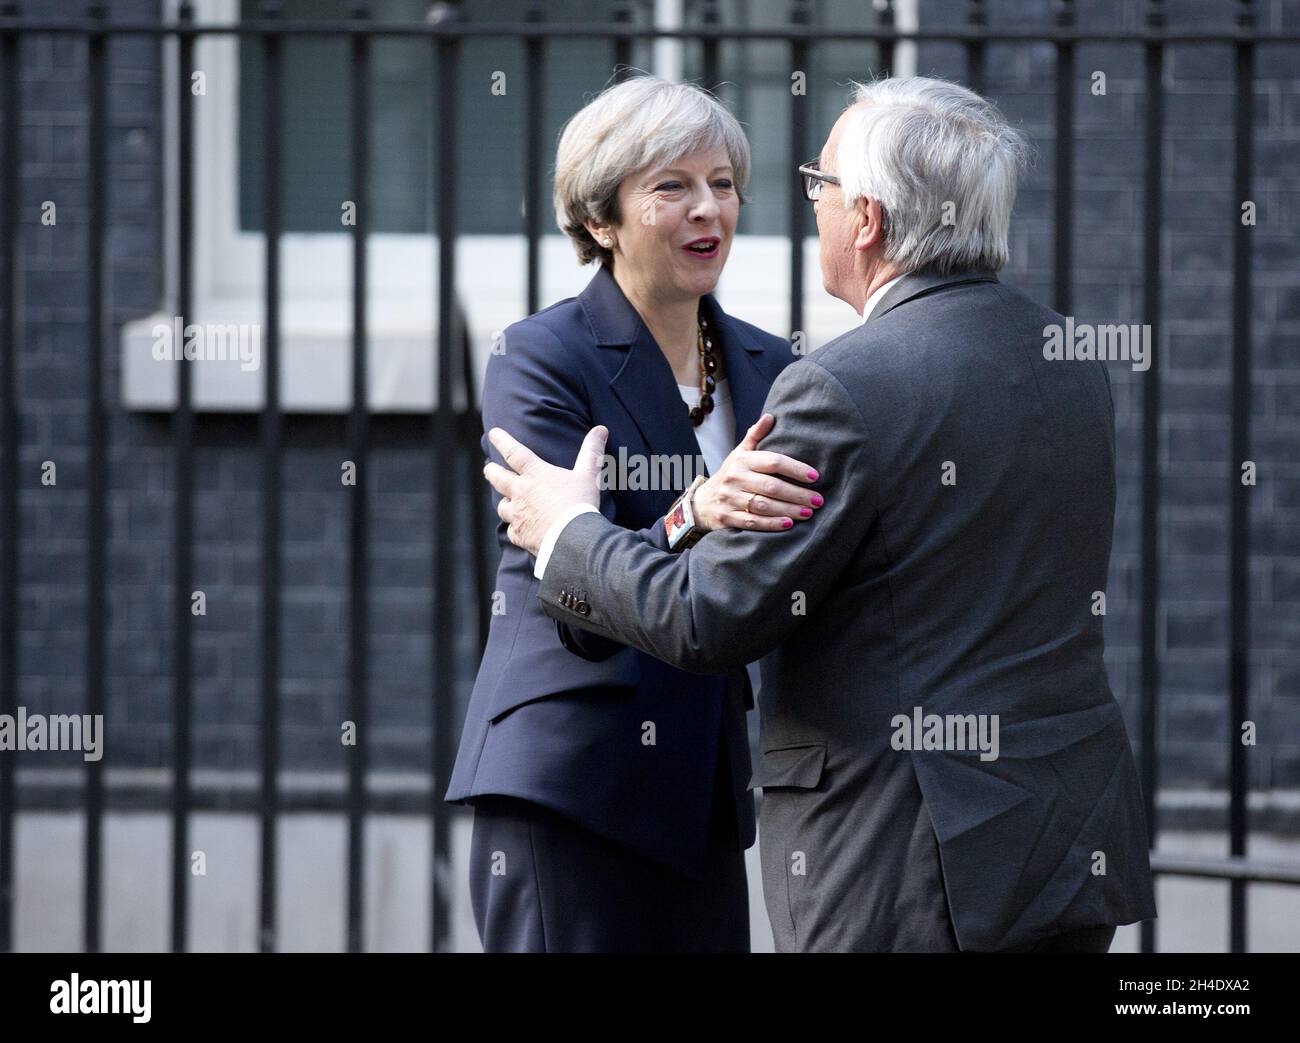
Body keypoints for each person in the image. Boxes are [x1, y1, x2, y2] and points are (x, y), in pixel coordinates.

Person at [484, 76, 1158, 952]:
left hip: (908, 859)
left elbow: (709, 614)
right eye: (673, 185)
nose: (802, 206)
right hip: (1063, 843)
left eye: (820, 184)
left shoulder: (841, 384)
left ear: (868, 220)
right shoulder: (1072, 364)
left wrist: (569, 532)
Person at [445, 75, 824, 952]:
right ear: (600, 219)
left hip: (703, 793)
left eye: (723, 183)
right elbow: (572, 585)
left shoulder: (770, 365)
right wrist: (694, 511)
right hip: (571, 781)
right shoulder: (542, 358)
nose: (708, 210)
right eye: (672, 187)